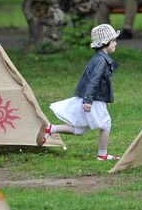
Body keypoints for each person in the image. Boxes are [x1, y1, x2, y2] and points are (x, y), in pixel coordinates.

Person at [43, 24, 120, 161]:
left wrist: (105, 99)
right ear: (105, 43)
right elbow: (93, 81)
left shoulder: (99, 58)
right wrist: (89, 101)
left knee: (80, 129)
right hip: (93, 99)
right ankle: (102, 155)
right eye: (113, 40)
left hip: (94, 99)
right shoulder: (101, 61)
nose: (116, 43)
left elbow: (102, 83)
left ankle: (51, 129)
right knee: (106, 124)